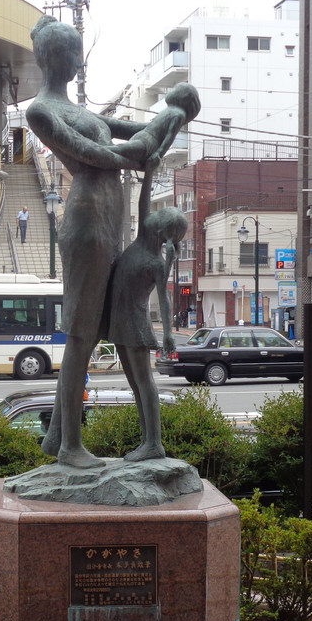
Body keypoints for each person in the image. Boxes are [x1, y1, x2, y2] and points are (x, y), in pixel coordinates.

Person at [25, 15, 159, 469]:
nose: (74, 61)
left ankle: (57, 439)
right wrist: (137, 153)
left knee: (97, 326)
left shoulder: (83, 111)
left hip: (108, 218)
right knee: (81, 335)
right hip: (84, 221)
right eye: (67, 53)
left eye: (76, 53)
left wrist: (163, 122)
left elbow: (127, 129)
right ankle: (69, 447)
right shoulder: (42, 110)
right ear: (49, 58)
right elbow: (93, 156)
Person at [105, 172, 188, 461]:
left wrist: (167, 332)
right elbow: (143, 198)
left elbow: (164, 299)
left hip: (137, 325)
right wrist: (149, 169)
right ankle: (147, 441)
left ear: (165, 234)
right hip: (119, 323)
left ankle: (154, 443)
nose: (154, 218)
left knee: (144, 383)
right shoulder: (142, 237)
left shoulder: (155, 261)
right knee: (135, 384)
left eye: (162, 219)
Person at [113, 82, 201, 167]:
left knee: (118, 149)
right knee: (119, 149)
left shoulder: (178, 114)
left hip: (148, 142)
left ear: (183, 96)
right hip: (142, 135)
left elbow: (170, 135)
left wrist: (159, 153)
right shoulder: (169, 110)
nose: (170, 91)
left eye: (175, 89)